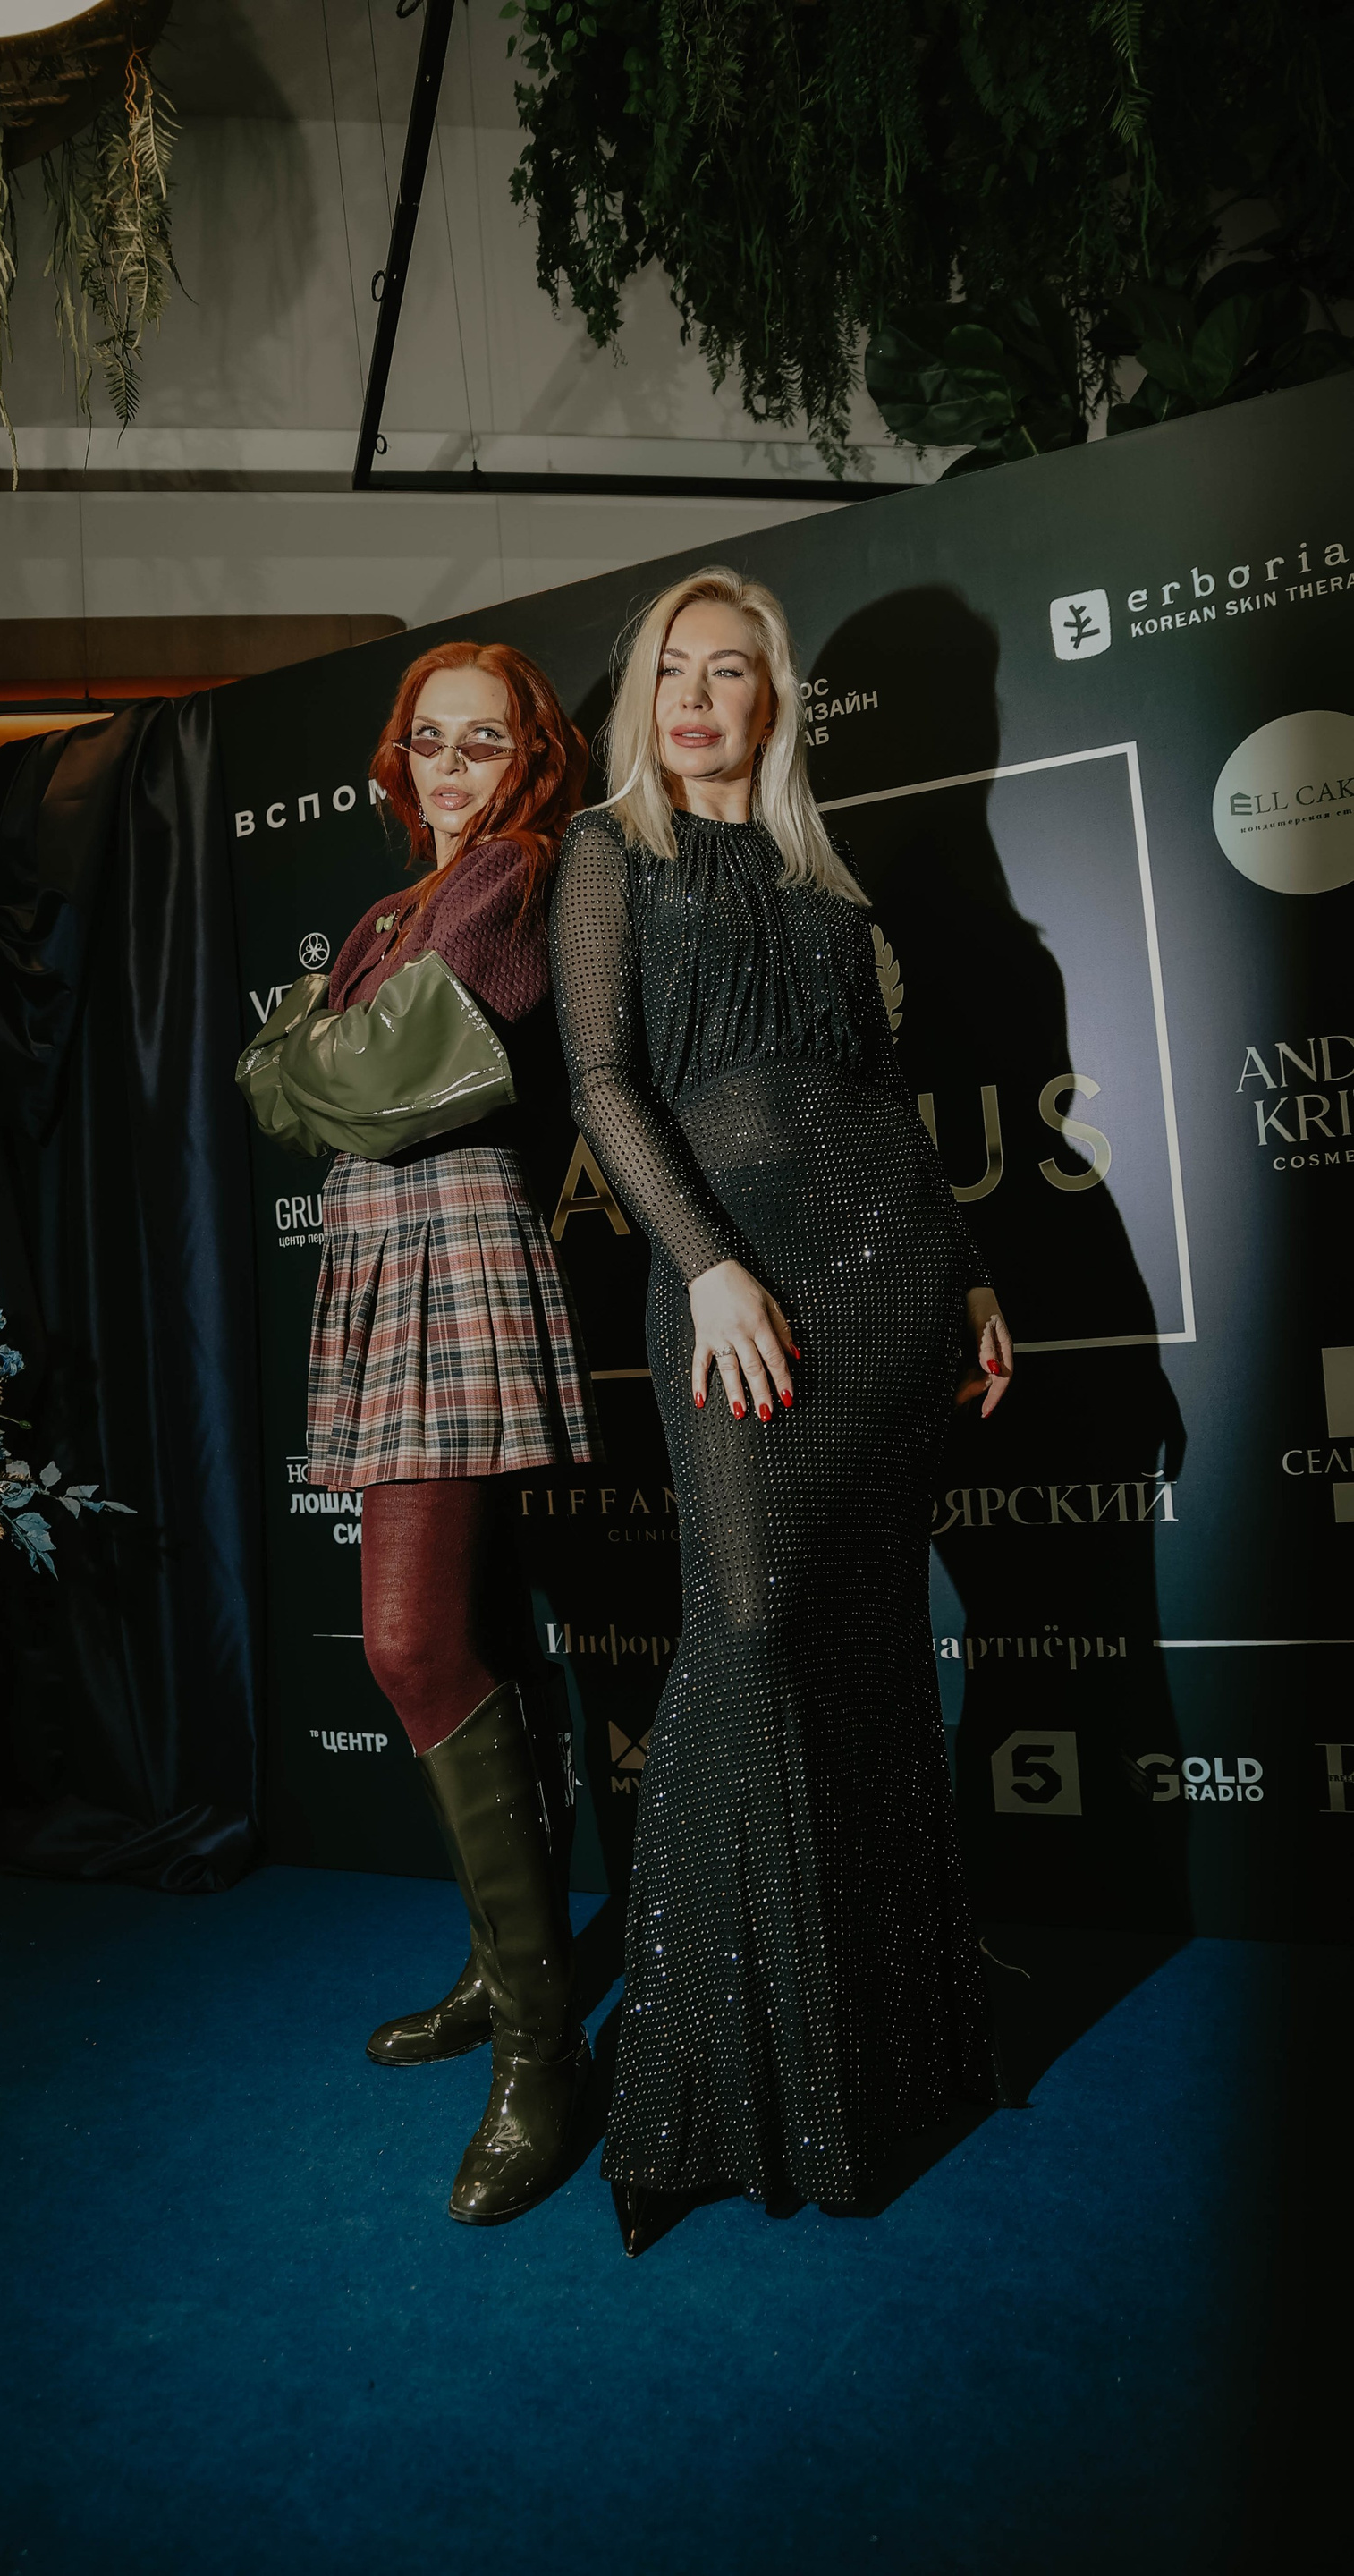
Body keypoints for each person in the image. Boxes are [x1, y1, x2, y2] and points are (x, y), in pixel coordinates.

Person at [548, 567, 1013, 2252]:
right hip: (735, 1282)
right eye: (670, 671)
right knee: (747, 1630)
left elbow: (884, 1093)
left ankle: (880, 2053)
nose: (693, 698)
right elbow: (604, 1079)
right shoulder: (613, 852)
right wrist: (711, 1268)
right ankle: (703, 2090)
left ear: (773, 699)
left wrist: (969, 1276)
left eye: (727, 671)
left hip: (892, 1280)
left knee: (866, 1645)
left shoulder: (827, 878)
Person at [299, 640, 596, 2226]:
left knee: (410, 1645)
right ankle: (503, 1973)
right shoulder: (384, 912)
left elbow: (357, 1072)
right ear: (398, 757)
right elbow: (297, 1085)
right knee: (472, 1632)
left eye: (485, 741)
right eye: (430, 741)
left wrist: (318, 1053)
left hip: (457, 1246)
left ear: (529, 757)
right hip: (377, 1249)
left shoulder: (514, 877)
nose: (454, 767)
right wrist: (322, 1058)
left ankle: (547, 2055)